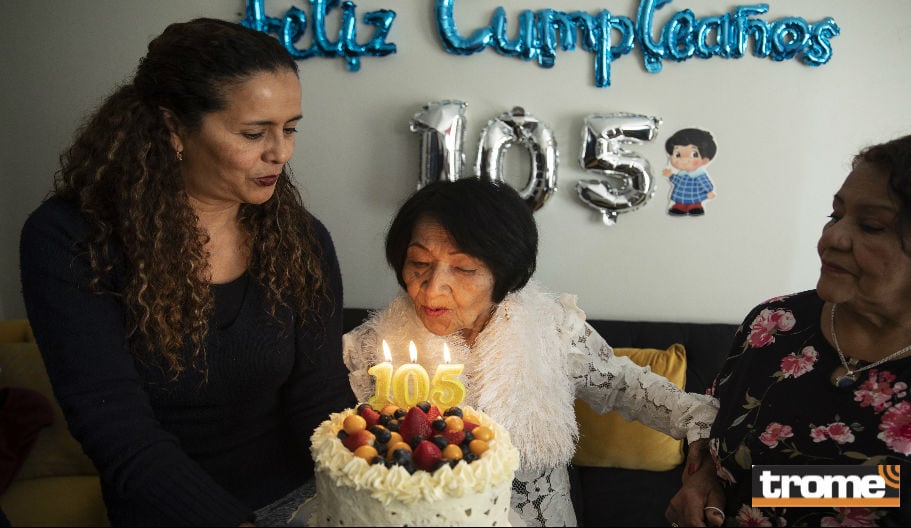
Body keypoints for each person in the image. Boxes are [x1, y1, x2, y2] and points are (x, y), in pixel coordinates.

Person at [19, 18, 356, 526]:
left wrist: (379, 487)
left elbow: (320, 395)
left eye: (290, 129)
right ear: (174, 127)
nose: (281, 153)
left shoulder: (301, 238)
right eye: (253, 132)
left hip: (302, 499)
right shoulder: (72, 239)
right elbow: (117, 430)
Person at [342, 177, 720, 526]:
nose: (433, 287)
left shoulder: (550, 329)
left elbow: (624, 385)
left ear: (505, 275)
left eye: (463, 268)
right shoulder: (371, 351)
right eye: (420, 263)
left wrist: (700, 428)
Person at [667, 131, 911, 527]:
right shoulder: (775, 324)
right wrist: (705, 481)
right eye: (835, 215)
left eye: (871, 226)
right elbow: (725, 444)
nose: (832, 238)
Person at [661, 127, 717, 216]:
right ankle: (679, 207)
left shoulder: (699, 175)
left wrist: (709, 191)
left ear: (705, 160)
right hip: (681, 196)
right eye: (678, 154)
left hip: (695, 196)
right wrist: (670, 175)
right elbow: (677, 181)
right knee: (680, 203)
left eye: (694, 154)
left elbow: (705, 183)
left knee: (694, 203)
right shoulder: (681, 174)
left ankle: (695, 207)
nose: (684, 160)